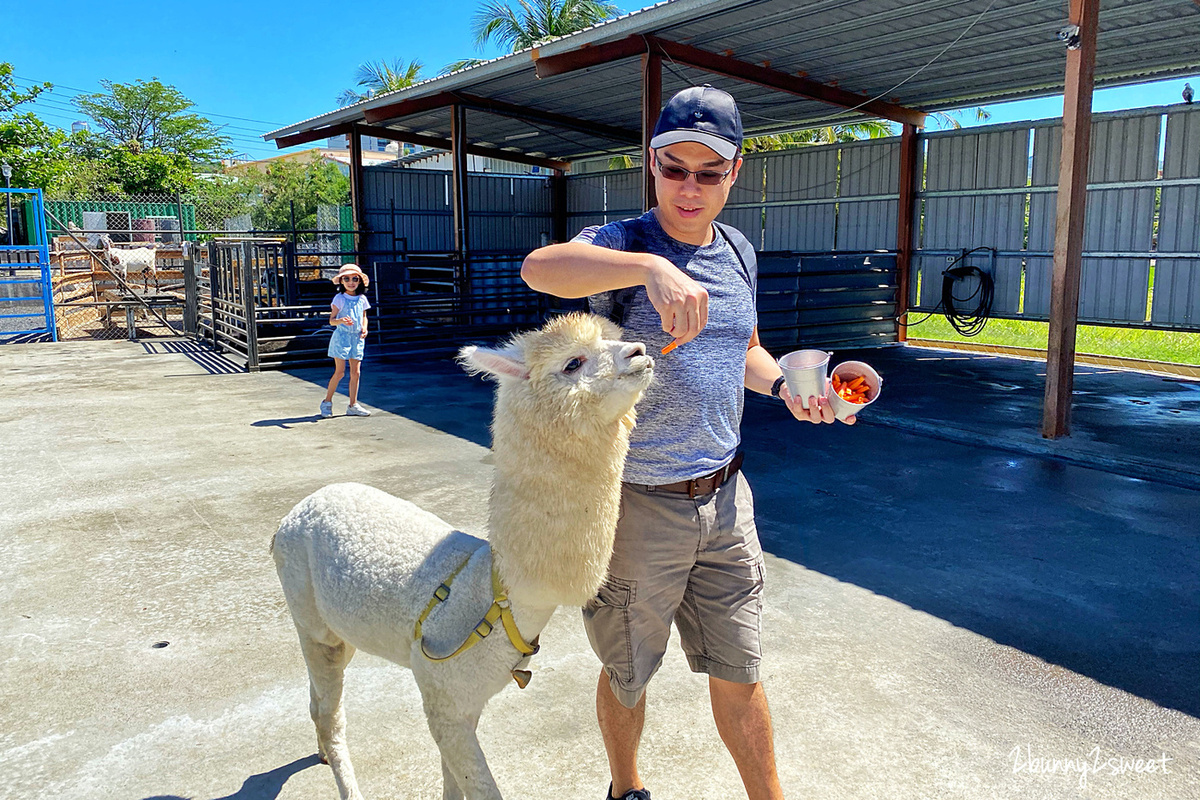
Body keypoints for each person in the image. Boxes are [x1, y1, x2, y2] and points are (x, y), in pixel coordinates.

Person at [521, 85, 855, 800]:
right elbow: (540, 270)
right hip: (639, 505)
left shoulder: (738, 250)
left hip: (728, 501)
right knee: (629, 674)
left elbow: (748, 349)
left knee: (741, 671)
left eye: (710, 172)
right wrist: (649, 268)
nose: (691, 187)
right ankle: (626, 788)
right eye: (675, 169)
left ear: (736, 172)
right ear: (652, 164)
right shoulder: (623, 244)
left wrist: (791, 390)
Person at [321, 264, 372, 418]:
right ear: (341, 281)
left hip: (356, 338)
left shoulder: (362, 299)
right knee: (340, 372)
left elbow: (364, 316)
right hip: (342, 338)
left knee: (356, 372)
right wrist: (341, 320)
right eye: (347, 279)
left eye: (355, 279)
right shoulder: (339, 298)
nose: (351, 282)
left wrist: (365, 328)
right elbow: (332, 320)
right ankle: (327, 402)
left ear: (359, 281)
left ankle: (353, 405)